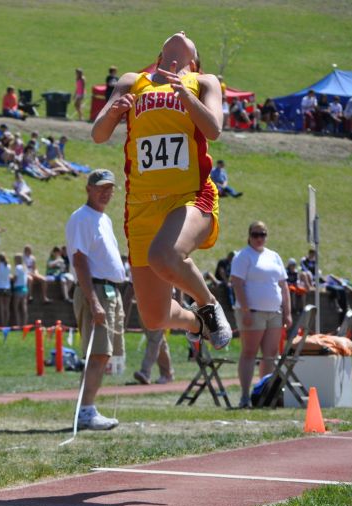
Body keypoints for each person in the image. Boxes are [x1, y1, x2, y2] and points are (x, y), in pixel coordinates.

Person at [91, 31, 232, 351]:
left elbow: (214, 129)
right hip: (141, 205)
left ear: (193, 62)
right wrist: (114, 112)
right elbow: (98, 134)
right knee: (153, 317)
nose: (181, 32)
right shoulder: (133, 80)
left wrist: (187, 96)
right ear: (158, 56)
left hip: (190, 196)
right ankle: (197, 323)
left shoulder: (203, 81)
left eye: (188, 39)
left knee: (164, 255)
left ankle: (209, 305)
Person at [64, 169, 126, 430]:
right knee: (97, 354)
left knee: (105, 355)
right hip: (97, 290)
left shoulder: (104, 219)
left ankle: (88, 408)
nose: (106, 192)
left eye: (109, 188)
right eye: (100, 187)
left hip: (110, 290)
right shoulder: (82, 218)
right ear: (88, 189)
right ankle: (86, 411)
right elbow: (79, 261)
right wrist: (94, 300)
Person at [230, 221, 291, 409]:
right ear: (249, 235)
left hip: (274, 312)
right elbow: (237, 283)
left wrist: (287, 312)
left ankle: (265, 394)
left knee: (270, 355)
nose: (259, 238)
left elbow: (283, 285)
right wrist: (246, 310)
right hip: (252, 312)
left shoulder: (274, 256)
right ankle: (245, 396)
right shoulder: (243, 256)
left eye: (262, 234)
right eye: (255, 234)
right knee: (249, 353)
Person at [11, 253, 29, 325]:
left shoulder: (17, 267)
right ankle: (25, 324)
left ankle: (18, 324)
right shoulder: (25, 267)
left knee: (16, 308)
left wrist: (11, 279)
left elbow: (15, 278)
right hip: (24, 288)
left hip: (18, 288)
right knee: (24, 307)